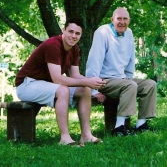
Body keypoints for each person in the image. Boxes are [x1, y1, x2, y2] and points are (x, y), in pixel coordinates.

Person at [14, 18, 106, 146]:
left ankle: (86, 135)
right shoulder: (53, 45)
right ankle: (65, 138)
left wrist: (90, 83)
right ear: (63, 30)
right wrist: (87, 81)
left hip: (44, 84)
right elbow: (57, 79)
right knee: (63, 89)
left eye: (77, 33)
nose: (73, 36)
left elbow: (75, 75)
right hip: (27, 84)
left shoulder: (74, 49)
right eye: (70, 32)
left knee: (84, 89)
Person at [85, 8, 157, 137]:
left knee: (150, 84)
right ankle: (119, 128)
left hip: (121, 79)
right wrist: (93, 90)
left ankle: (141, 125)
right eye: (119, 19)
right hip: (103, 80)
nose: (122, 22)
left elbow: (130, 58)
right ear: (112, 20)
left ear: (129, 21)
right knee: (130, 86)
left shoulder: (128, 33)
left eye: (125, 19)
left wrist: (128, 77)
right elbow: (94, 60)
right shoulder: (102, 32)